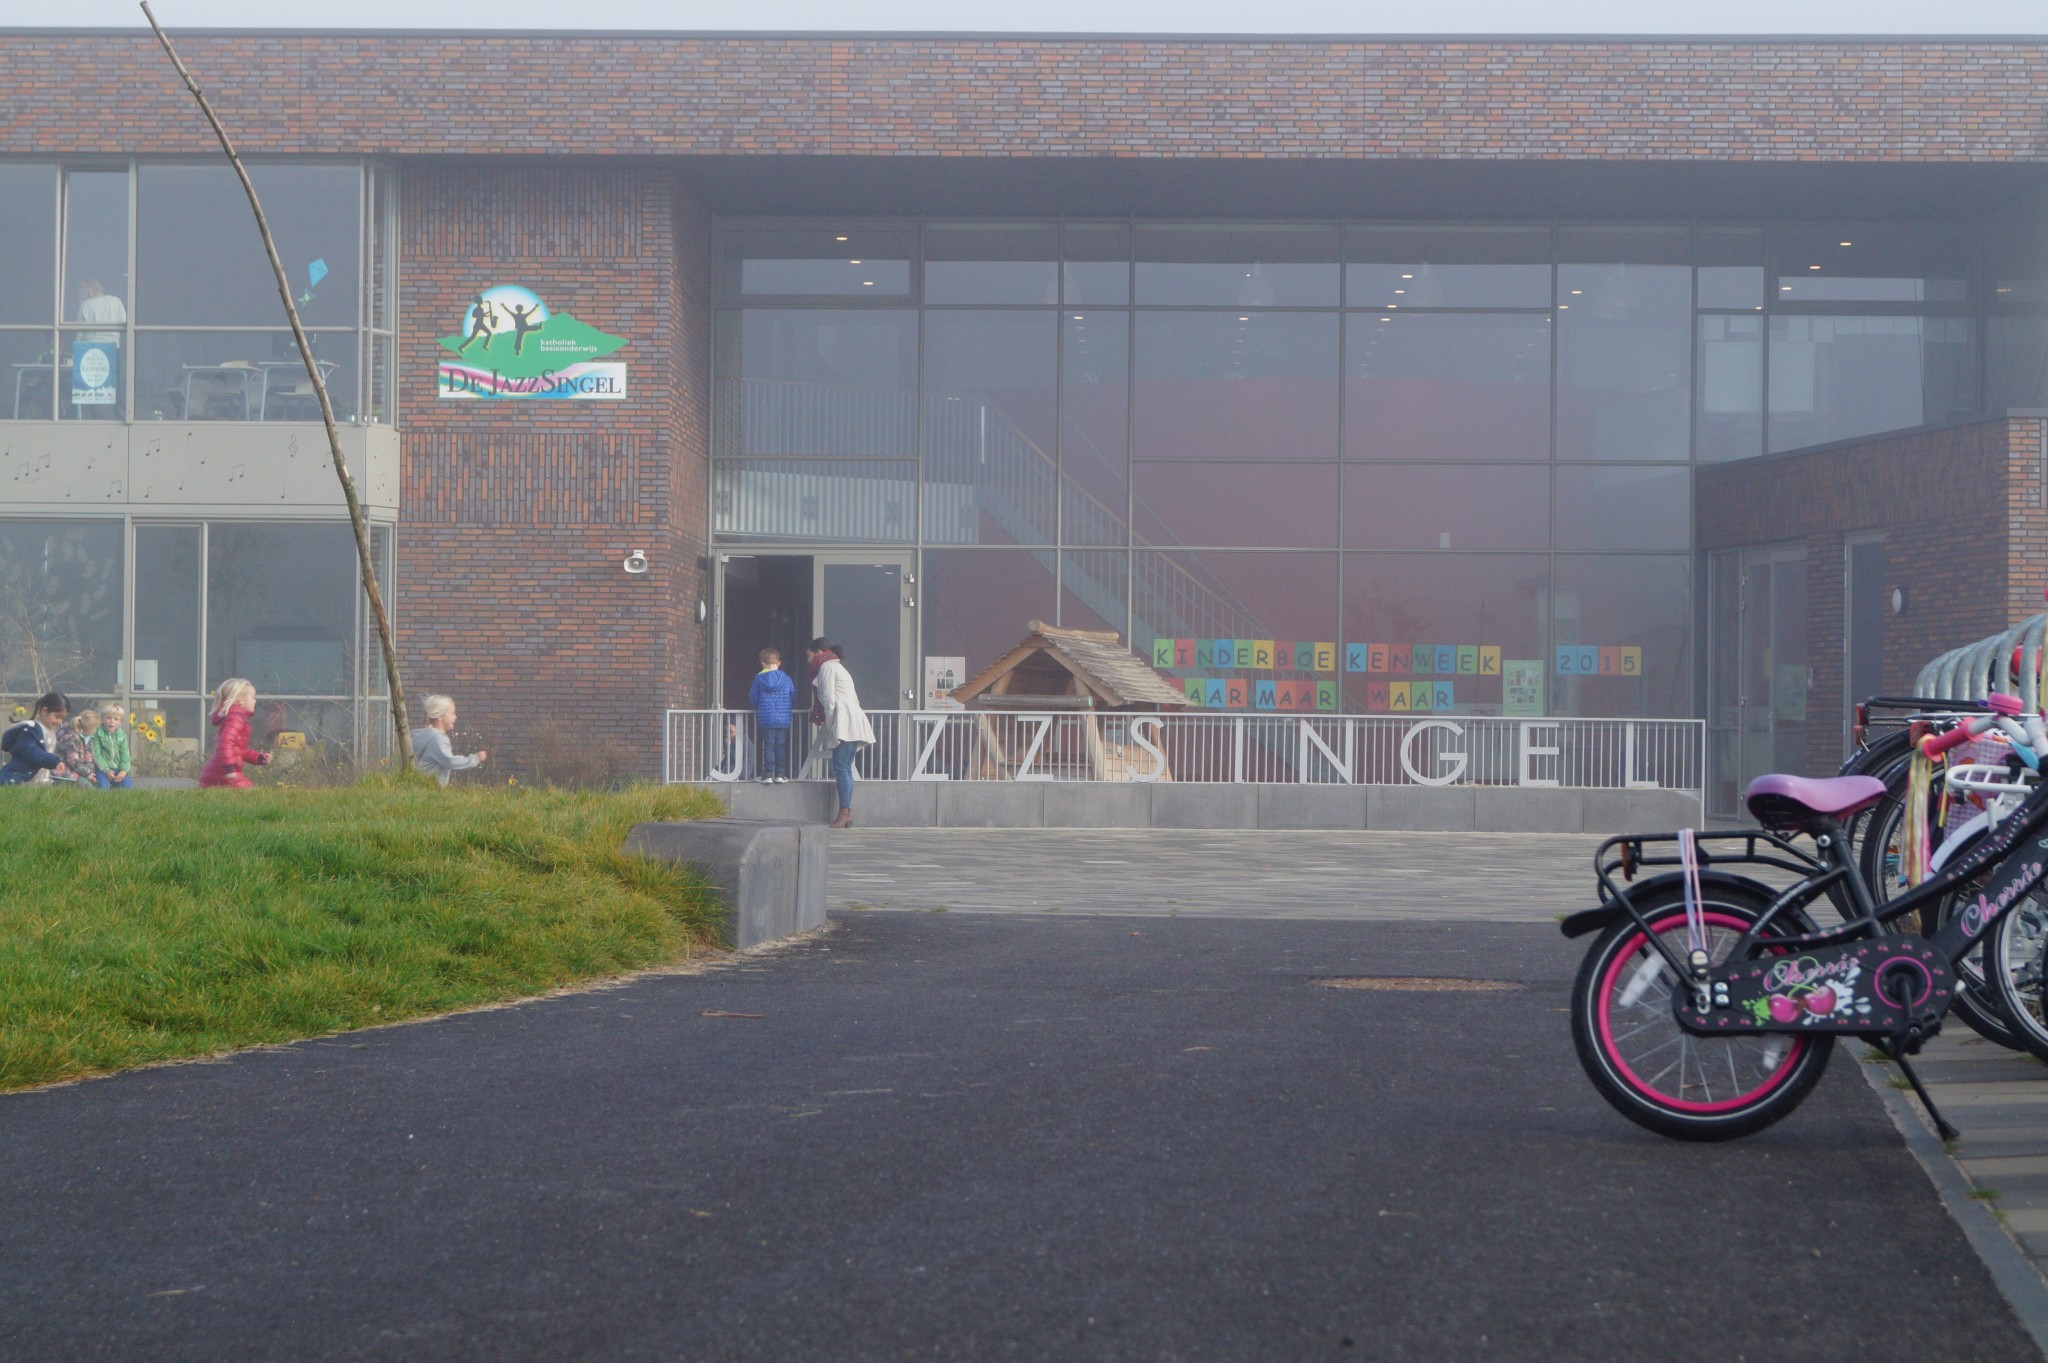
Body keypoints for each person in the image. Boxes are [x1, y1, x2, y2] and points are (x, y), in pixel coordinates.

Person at [808, 638, 874, 829]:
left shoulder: (827, 668)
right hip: (852, 720)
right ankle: (846, 812)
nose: (808, 660)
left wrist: (830, 725)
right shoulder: (838, 667)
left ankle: (844, 812)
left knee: (841, 768)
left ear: (818, 652)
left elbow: (828, 698)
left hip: (844, 722)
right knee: (845, 768)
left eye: (809, 655)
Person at [199, 678, 271, 789]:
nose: (255, 701)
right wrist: (229, 767)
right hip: (223, 771)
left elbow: (238, 751)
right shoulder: (236, 718)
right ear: (240, 700)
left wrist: (258, 757)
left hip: (217, 770)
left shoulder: (237, 717)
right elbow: (225, 742)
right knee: (251, 795)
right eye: (253, 697)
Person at [410, 694, 488, 787]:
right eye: (452, 713)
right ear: (439, 716)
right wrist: (475, 758)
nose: (455, 717)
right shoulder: (439, 739)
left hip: (415, 787)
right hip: (430, 790)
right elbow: (450, 761)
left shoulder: (418, 735)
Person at [0, 691, 73, 786]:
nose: (60, 721)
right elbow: (33, 752)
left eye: (62, 718)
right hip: (19, 780)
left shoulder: (51, 732)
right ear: (44, 711)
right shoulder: (30, 731)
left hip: (38, 781)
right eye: (57, 717)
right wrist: (54, 761)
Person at [748, 648, 795, 782]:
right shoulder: (786, 678)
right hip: (783, 718)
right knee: (780, 746)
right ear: (778, 663)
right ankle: (780, 774)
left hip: (766, 718)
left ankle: (767, 775)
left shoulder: (759, 678)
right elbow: (792, 695)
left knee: (768, 746)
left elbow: (753, 697)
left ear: (762, 663)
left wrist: (759, 706)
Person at [90, 701, 134, 788]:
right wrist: (106, 770)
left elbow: (125, 754)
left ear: (120, 722)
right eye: (108, 718)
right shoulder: (97, 733)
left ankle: (116, 784)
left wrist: (124, 771)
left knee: (128, 787)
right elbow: (96, 754)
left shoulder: (122, 735)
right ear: (102, 719)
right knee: (103, 786)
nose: (111, 721)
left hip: (118, 769)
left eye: (116, 719)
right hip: (102, 769)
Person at [56, 710, 103, 789]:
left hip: (79, 771)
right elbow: (72, 760)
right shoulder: (70, 736)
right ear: (89, 729)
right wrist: (87, 774)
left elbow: (88, 756)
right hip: (65, 773)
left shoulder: (87, 736)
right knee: (89, 789)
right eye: (95, 728)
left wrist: (90, 773)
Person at [76, 278, 126, 343]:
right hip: (112, 343)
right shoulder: (116, 301)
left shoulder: (85, 304)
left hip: (89, 344)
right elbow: (123, 322)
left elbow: (79, 332)